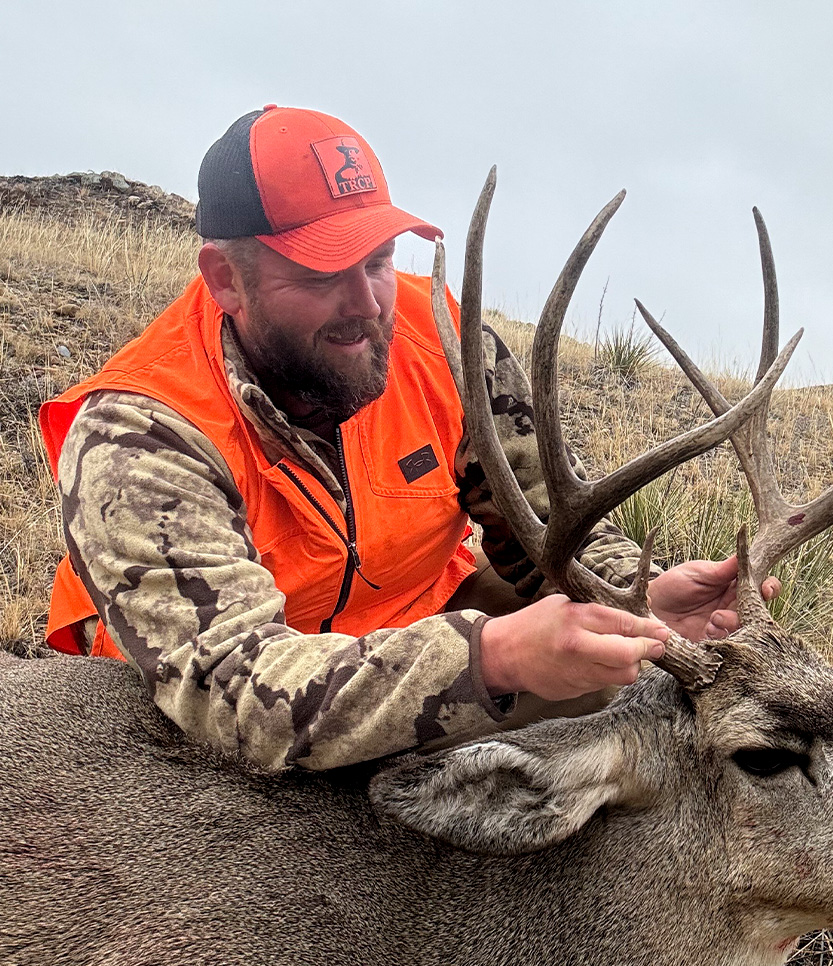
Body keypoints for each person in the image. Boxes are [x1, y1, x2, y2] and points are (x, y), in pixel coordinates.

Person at [40, 105, 777, 772]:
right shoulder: (140, 434)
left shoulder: (448, 347)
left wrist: (636, 598)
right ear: (227, 278)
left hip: (422, 632)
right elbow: (239, 699)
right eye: (324, 271)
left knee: (641, 694)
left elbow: (546, 524)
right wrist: (494, 659)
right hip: (190, 715)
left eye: (379, 261)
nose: (366, 306)